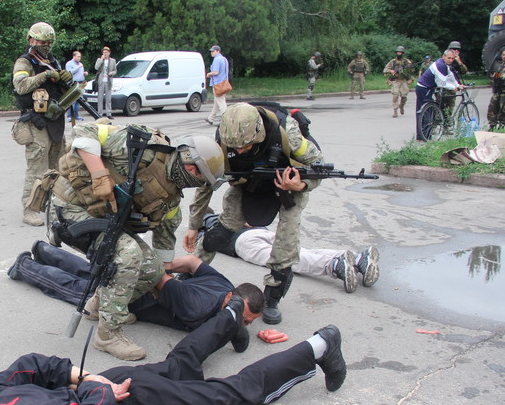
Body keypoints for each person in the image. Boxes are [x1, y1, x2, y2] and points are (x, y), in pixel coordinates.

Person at [0, 299, 347, 405]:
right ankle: (230, 316)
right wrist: (89, 381)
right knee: (178, 366)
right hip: (115, 387)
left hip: (124, 396)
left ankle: (320, 346)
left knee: (230, 396)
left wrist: (88, 384)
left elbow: (40, 368)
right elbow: (30, 366)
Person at [48, 121, 225, 360]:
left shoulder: (170, 200)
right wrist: (99, 174)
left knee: (152, 269)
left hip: (103, 220)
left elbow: (164, 243)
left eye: (199, 178)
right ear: (185, 156)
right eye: (194, 170)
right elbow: (83, 130)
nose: (193, 178)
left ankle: (100, 306)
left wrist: (166, 281)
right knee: (129, 253)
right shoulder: (143, 148)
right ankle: (108, 334)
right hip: (69, 207)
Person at [184, 103, 324, 325]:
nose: (239, 152)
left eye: (246, 147)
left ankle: (271, 299)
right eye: (235, 148)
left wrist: (301, 185)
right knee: (221, 232)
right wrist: (194, 224)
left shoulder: (289, 134)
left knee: (285, 245)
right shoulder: (223, 139)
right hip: (248, 183)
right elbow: (207, 182)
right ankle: (189, 274)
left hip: (288, 187)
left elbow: (319, 166)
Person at [7, 241, 263, 342]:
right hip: (133, 299)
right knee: (75, 289)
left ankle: (44, 250)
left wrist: (167, 266)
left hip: (138, 279)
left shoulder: (225, 287)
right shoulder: (197, 307)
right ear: (232, 298)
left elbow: (194, 263)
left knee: (90, 273)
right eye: (244, 317)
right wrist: (162, 271)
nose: (243, 323)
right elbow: (162, 279)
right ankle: (24, 265)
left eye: (248, 322)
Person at [198, 215, 380, 293]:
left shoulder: (208, 222)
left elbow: (205, 242)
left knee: (285, 260)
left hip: (243, 243)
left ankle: (334, 265)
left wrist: (197, 230)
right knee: (298, 252)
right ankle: (356, 259)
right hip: (261, 231)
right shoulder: (230, 214)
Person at [12, 22, 74, 226]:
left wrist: (66, 78)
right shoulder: (25, 62)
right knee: (37, 168)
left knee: (58, 167)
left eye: (49, 42)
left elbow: (65, 91)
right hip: (35, 121)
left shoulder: (52, 61)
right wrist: (45, 75)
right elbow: (21, 86)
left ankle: (55, 206)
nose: (46, 45)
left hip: (54, 120)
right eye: (42, 42)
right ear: (31, 40)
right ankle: (30, 210)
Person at [414, 49, 465, 141]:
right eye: (449, 58)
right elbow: (442, 83)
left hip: (425, 88)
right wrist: (453, 88)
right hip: (424, 88)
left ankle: (421, 136)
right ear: (443, 56)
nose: (450, 60)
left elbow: (450, 76)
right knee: (426, 112)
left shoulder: (445, 65)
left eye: (452, 59)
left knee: (424, 111)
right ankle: (424, 137)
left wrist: (457, 84)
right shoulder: (440, 65)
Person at [383, 46, 415, 118]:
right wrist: (391, 71)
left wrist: (406, 69)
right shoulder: (393, 62)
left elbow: (412, 70)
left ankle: (402, 105)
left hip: (403, 80)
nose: (399, 53)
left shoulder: (407, 61)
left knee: (404, 96)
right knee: (395, 95)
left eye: (400, 52)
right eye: (398, 52)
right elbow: (385, 70)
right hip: (395, 81)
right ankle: (395, 111)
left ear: (402, 53)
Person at [206, 45, 230, 125]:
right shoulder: (224, 59)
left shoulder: (216, 59)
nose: (211, 53)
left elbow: (216, 72)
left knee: (221, 103)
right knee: (216, 102)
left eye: (213, 51)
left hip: (218, 84)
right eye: (211, 51)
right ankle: (211, 118)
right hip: (224, 83)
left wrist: (209, 74)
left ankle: (227, 120)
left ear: (217, 51)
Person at [64, 50, 87, 123]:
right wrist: (78, 67)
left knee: (78, 101)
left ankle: (76, 116)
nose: (79, 58)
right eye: (78, 56)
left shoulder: (80, 64)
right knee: (72, 100)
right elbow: (70, 72)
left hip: (81, 83)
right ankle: (69, 116)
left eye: (80, 57)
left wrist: (84, 74)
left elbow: (79, 74)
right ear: (74, 56)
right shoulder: (69, 64)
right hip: (73, 83)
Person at [94, 46, 117, 118]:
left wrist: (112, 73)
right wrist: (101, 59)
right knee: (100, 98)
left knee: (108, 99)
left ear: (109, 53)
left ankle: (108, 113)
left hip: (108, 81)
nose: (105, 54)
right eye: (103, 52)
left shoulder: (113, 61)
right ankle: (99, 114)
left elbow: (115, 70)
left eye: (106, 52)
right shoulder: (99, 59)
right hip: (101, 81)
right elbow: (96, 67)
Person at [488, 49, 505, 131]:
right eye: (503, 55)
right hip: (498, 91)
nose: (504, 57)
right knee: (492, 108)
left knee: (503, 112)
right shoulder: (500, 66)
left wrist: (497, 75)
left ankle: (502, 127)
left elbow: (502, 76)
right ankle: (492, 126)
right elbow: (494, 76)